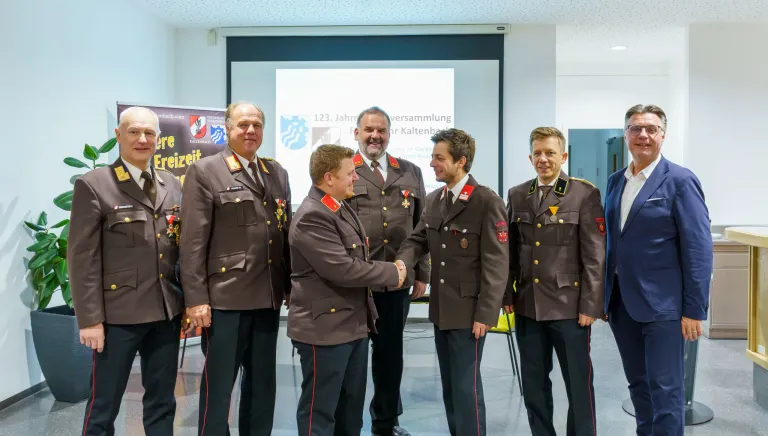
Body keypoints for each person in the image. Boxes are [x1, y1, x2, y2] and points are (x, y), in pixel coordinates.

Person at [69, 106, 186, 436]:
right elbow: (81, 258)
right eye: (134, 131)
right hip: (117, 317)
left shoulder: (172, 184)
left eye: (150, 133)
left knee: (163, 401)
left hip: (165, 312)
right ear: (118, 135)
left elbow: (179, 249)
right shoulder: (95, 185)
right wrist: (89, 319)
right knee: (104, 404)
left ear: (158, 139)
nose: (142, 139)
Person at [179, 101, 292, 436]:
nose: (250, 131)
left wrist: (290, 286)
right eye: (243, 124)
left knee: (262, 387)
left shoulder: (277, 173)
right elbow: (192, 241)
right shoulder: (205, 171)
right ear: (227, 129)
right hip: (225, 301)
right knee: (219, 389)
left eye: (256, 125)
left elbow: (284, 234)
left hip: (267, 296)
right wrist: (196, 299)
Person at [604, 104, 712, 436]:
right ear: (625, 135)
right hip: (622, 304)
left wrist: (694, 308)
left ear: (663, 136)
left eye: (651, 129)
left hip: (664, 307)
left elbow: (698, 248)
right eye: (635, 129)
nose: (643, 135)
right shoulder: (614, 182)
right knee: (638, 386)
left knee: (666, 392)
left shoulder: (679, 180)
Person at [395, 128, 508, 436]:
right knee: (450, 388)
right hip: (442, 310)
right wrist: (402, 264)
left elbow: (497, 264)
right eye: (432, 157)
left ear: (461, 161)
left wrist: (486, 315)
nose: (432, 164)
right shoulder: (434, 200)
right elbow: (416, 240)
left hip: (470, 313)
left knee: (465, 388)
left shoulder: (486, 201)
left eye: (439, 158)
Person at [287, 144, 406, 436]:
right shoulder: (313, 215)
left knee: (350, 413)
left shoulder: (338, 206)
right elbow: (343, 269)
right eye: (350, 173)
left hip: (352, 326)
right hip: (325, 330)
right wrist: (393, 272)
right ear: (329, 178)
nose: (356, 178)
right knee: (321, 412)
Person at [504, 127, 605, 436]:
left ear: (563, 156)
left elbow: (595, 254)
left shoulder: (583, 193)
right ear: (530, 157)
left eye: (550, 153)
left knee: (578, 384)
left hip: (569, 308)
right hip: (528, 306)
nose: (543, 159)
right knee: (533, 385)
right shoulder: (518, 194)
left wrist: (591, 304)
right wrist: (507, 294)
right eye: (537, 153)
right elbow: (508, 250)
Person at [346, 106, 430, 436]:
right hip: (355, 281)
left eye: (381, 130)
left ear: (390, 134)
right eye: (368, 130)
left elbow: (422, 225)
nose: (375, 136)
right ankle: (349, 422)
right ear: (356, 133)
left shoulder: (409, 171)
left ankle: (386, 421)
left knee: (390, 354)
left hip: (396, 280)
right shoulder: (343, 171)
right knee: (352, 357)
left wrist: (422, 272)